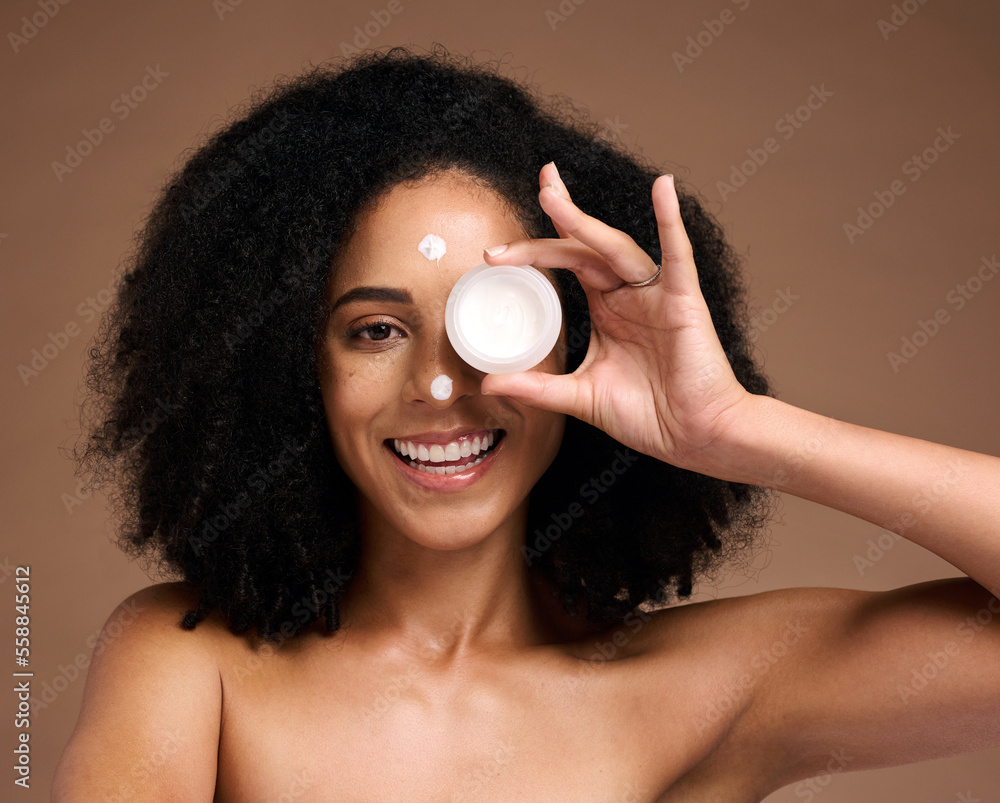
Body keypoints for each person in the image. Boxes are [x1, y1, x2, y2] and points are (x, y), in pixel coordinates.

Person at [53, 45, 999, 801]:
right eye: (376, 329)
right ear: (288, 370)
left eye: (494, 322)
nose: (437, 384)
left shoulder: (707, 691)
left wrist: (731, 428)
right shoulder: (188, 663)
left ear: (573, 340)